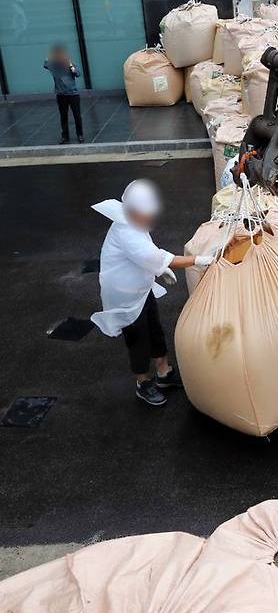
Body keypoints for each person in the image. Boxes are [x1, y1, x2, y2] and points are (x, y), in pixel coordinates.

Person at [91, 179, 216, 406]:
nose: (150, 218)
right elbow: (155, 256)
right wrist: (198, 260)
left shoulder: (133, 222)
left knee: (155, 329)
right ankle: (143, 382)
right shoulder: (126, 231)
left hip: (140, 288)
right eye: (145, 214)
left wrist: (159, 270)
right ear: (132, 211)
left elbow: (148, 256)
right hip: (125, 296)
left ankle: (164, 373)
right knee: (138, 340)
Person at [44, 44, 84, 144]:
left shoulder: (70, 64)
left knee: (77, 115)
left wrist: (71, 66)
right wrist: (50, 56)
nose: (59, 56)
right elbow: (45, 64)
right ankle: (65, 136)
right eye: (57, 54)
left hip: (73, 94)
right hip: (61, 94)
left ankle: (80, 134)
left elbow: (78, 74)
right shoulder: (54, 66)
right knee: (63, 116)